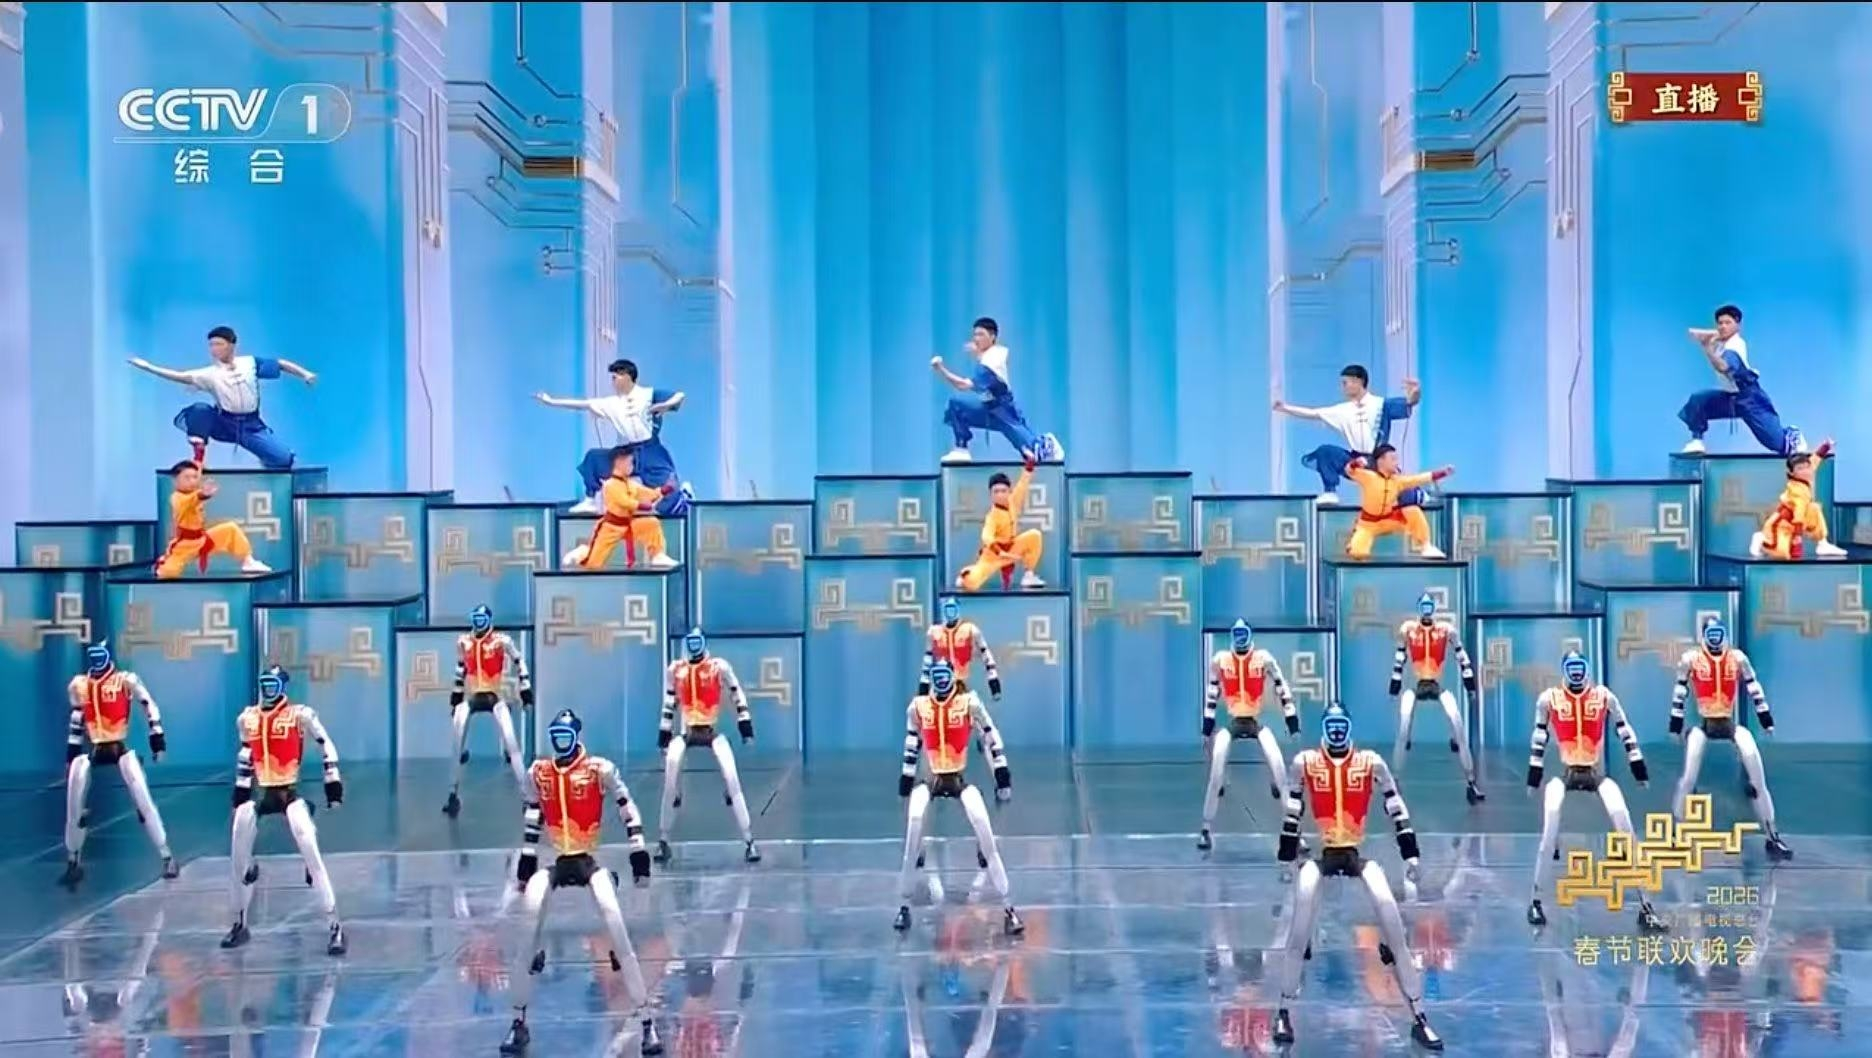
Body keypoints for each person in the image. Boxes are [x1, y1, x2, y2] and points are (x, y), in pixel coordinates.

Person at [1271, 703, 1441, 1051]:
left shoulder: (1370, 763)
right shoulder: (1306, 763)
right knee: (1298, 931)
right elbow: (1292, 811)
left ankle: (1419, 1015)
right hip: (1324, 853)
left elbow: (1396, 807)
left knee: (1393, 925)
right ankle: (1284, 1009)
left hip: (1355, 853)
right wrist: (1287, 856)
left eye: (1341, 725)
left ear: (1349, 727)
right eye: (1331, 725)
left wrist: (1410, 850)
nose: (1336, 732)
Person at [501, 709, 661, 1056]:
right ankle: (517, 1020)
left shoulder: (598, 770)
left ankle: (647, 1021)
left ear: (576, 737)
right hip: (558, 859)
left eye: (565, 736)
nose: (561, 743)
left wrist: (638, 851)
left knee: (616, 926)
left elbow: (627, 806)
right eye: (556, 737)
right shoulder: (539, 772)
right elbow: (533, 812)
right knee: (528, 927)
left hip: (588, 860)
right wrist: (527, 857)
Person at [1524, 651, 1664, 933]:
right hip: (1566, 772)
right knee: (1550, 826)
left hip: (1595, 772)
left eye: (1580, 667)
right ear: (1564, 669)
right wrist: (1534, 774)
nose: (1576, 673)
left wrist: (1638, 766)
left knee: (1625, 825)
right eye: (1571, 667)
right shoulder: (1549, 699)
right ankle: (1536, 900)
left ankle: (1646, 906)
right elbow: (1539, 736)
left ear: (1586, 668)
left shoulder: (1603, 697)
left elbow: (1625, 731)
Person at [220, 667, 346, 957]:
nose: (268, 689)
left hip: (289, 792)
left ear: (282, 686)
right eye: (264, 683)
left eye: (273, 683)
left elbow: (325, 744)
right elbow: (246, 753)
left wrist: (332, 783)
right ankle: (239, 922)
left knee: (310, 852)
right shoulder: (248, 718)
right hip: (263, 792)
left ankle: (335, 925)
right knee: (238, 852)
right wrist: (241, 790)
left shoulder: (299, 715)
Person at [893, 659, 1024, 937]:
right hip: (931, 777)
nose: (941, 680)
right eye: (936, 675)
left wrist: (1001, 771)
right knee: (913, 829)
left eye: (945, 674)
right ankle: (903, 905)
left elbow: (990, 734)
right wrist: (906, 778)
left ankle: (1009, 907)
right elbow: (912, 742)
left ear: (952, 676)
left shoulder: (968, 703)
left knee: (986, 834)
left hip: (957, 777)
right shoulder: (919, 707)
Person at [1669, 618, 1792, 860]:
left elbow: (1754, 689)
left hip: (1729, 722)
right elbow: (1680, 692)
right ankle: (1675, 833)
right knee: (1688, 778)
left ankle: (1772, 835)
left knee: (1758, 777)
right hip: (1705, 724)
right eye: (1711, 633)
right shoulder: (1691, 659)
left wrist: (1765, 718)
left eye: (1718, 633)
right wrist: (1676, 724)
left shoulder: (1737, 658)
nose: (1715, 639)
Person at [59, 640, 177, 888]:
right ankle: (73, 859)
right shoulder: (81, 685)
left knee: (143, 798)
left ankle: (166, 855)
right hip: (96, 746)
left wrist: (157, 739)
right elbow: (77, 720)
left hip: (118, 746)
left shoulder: (124, 680)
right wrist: (71, 756)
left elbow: (148, 704)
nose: (96, 660)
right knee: (74, 801)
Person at [128, 325, 315, 469]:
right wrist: (148, 367)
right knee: (200, 410)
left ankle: (267, 460)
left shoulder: (249, 363)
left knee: (283, 458)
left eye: (218, 344)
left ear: (231, 345)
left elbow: (280, 364)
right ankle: (199, 459)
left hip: (251, 426)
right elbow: (179, 376)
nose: (214, 349)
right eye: (211, 345)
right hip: (225, 423)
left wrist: (305, 374)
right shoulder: (209, 374)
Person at [655, 628, 762, 865]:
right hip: (688, 731)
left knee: (732, 777)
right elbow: (669, 702)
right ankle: (663, 839)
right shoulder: (676, 670)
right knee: (670, 774)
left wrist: (745, 725)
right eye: (690, 642)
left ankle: (749, 839)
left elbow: (737, 693)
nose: (694, 646)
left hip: (711, 731)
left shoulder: (718, 667)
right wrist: (664, 735)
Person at [535, 359, 692, 517]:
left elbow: (679, 396)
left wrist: (665, 405)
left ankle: (684, 495)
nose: (613, 381)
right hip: (629, 451)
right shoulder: (612, 403)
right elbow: (583, 404)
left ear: (627, 376)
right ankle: (590, 499)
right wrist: (551, 401)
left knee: (668, 496)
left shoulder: (648, 395)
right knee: (594, 458)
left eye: (616, 377)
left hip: (651, 450)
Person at [1197, 619, 1300, 853]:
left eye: (1244, 633)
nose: (1241, 639)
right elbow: (1212, 694)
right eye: (1237, 634)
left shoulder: (1263, 658)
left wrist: (1291, 718)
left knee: (1279, 769)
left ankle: (1294, 830)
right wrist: (1207, 726)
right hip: (1234, 721)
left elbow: (1282, 687)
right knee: (1216, 771)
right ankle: (1206, 827)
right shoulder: (1221, 660)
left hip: (1255, 721)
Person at [1388, 592, 1484, 804]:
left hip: (1437, 683)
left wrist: (1470, 685)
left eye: (1429, 606)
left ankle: (1471, 782)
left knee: (1457, 723)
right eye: (1423, 606)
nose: (1426, 610)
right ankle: (1394, 782)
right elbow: (1400, 658)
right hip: (1416, 683)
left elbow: (1462, 658)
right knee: (1403, 727)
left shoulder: (1446, 630)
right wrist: (1395, 686)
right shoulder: (1408, 630)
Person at [1272, 366, 1420, 504]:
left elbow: (1409, 402)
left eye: (1345, 383)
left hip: (1378, 462)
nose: (1343, 387)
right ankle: (1330, 492)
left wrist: (1415, 394)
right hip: (1355, 462)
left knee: (1407, 496)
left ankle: (1419, 495)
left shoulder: (1381, 404)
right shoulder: (1342, 410)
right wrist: (1284, 408)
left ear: (1358, 382)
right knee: (1326, 451)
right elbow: (1313, 413)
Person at [931, 317, 1064, 464]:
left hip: (1002, 410)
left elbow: (962, 385)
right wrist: (977, 353)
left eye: (981, 334)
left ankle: (1046, 446)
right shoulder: (993, 353)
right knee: (955, 405)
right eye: (975, 334)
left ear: (992, 337)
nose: (976, 339)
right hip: (988, 408)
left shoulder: (990, 362)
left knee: (1030, 448)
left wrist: (941, 369)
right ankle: (961, 447)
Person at [442, 605, 534, 817]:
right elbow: (460, 669)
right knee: (456, 741)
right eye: (476, 618)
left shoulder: (501, 641)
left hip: (495, 695)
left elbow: (519, 660)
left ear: (489, 619)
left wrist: (525, 690)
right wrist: (456, 697)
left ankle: (528, 797)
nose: (479, 622)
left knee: (512, 744)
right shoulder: (464, 642)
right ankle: (452, 793)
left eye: (482, 618)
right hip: (472, 695)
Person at [1678, 304, 1805, 456]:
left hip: (1750, 398)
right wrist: (1708, 335)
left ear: (1738, 325)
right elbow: (1693, 333)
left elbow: (1723, 367)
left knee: (1776, 443)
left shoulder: (1735, 345)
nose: (1723, 326)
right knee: (1698, 401)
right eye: (1720, 323)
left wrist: (1706, 347)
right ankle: (1697, 440)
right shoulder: (1720, 338)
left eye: (1728, 323)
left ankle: (1792, 435)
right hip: (1730, 397)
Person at [561, 447, 678, 570]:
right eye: (630, 462)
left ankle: (658, 555)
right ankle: (582, 552)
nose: (632, 466)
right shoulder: (610, 485)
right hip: (612, 526)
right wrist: (640, 505)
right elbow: (623, 501)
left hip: (629, 523)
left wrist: (663, 490)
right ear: (619, 462)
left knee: (651, 523)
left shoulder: (630, 484)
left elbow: (646, 493)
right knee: (594, 563)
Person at [155, 459, 271, 577]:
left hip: (202, 539)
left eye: (194, 477)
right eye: (187, 478)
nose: (192, 481)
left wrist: (199, 456)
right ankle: (162, 565)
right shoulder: (177, 498)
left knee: (230, 529)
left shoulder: (193, 490)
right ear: (175, 480)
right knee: (168, 573)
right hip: (185, 544)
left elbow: (198, 468)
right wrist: (203, 494)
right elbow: (192, 500)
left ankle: (248, 562)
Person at [1342, 446, 1452, 559]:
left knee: (1412, 510)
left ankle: (1426, 546)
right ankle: (1353, 545)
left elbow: (1419, 478)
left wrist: (1442, 473)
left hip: (1390, 520)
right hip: (1367, 525)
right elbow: (1349, 471)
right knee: (1358, 553)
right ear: (1381, 460)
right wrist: (1356, 463)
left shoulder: (1398, 481)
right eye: (1393, 459)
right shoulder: (1368, 477)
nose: (1396, 462)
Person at [956, 454, 1045, 590]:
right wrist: (998, 551)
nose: (1000, 495)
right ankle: (966, 575)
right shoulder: (992, 516)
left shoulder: (1013, 502)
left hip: (1012, 547)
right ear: (991, 494)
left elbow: (1022, 485)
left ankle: (1029, 574)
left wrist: (1028, 469)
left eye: (1003, 491)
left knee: (1034, 536)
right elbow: (986, 536)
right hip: (994, 554)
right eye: (996, 491)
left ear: (1009, 491)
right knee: (971, 584)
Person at [1750, 439, 1846, 558]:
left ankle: (1822, 543)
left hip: (1799, 517)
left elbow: (1815, 459)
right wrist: (1797, 536)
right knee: (1781, 554)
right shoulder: (1796, 491)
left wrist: (1826, 446)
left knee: (1814, 509)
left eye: (1807, 467)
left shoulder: (1808, 472)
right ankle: (1761, 538)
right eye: (1800, 469)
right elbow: (1798, 513)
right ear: (1791, 473)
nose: (1806, 471)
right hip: (1783, 523)